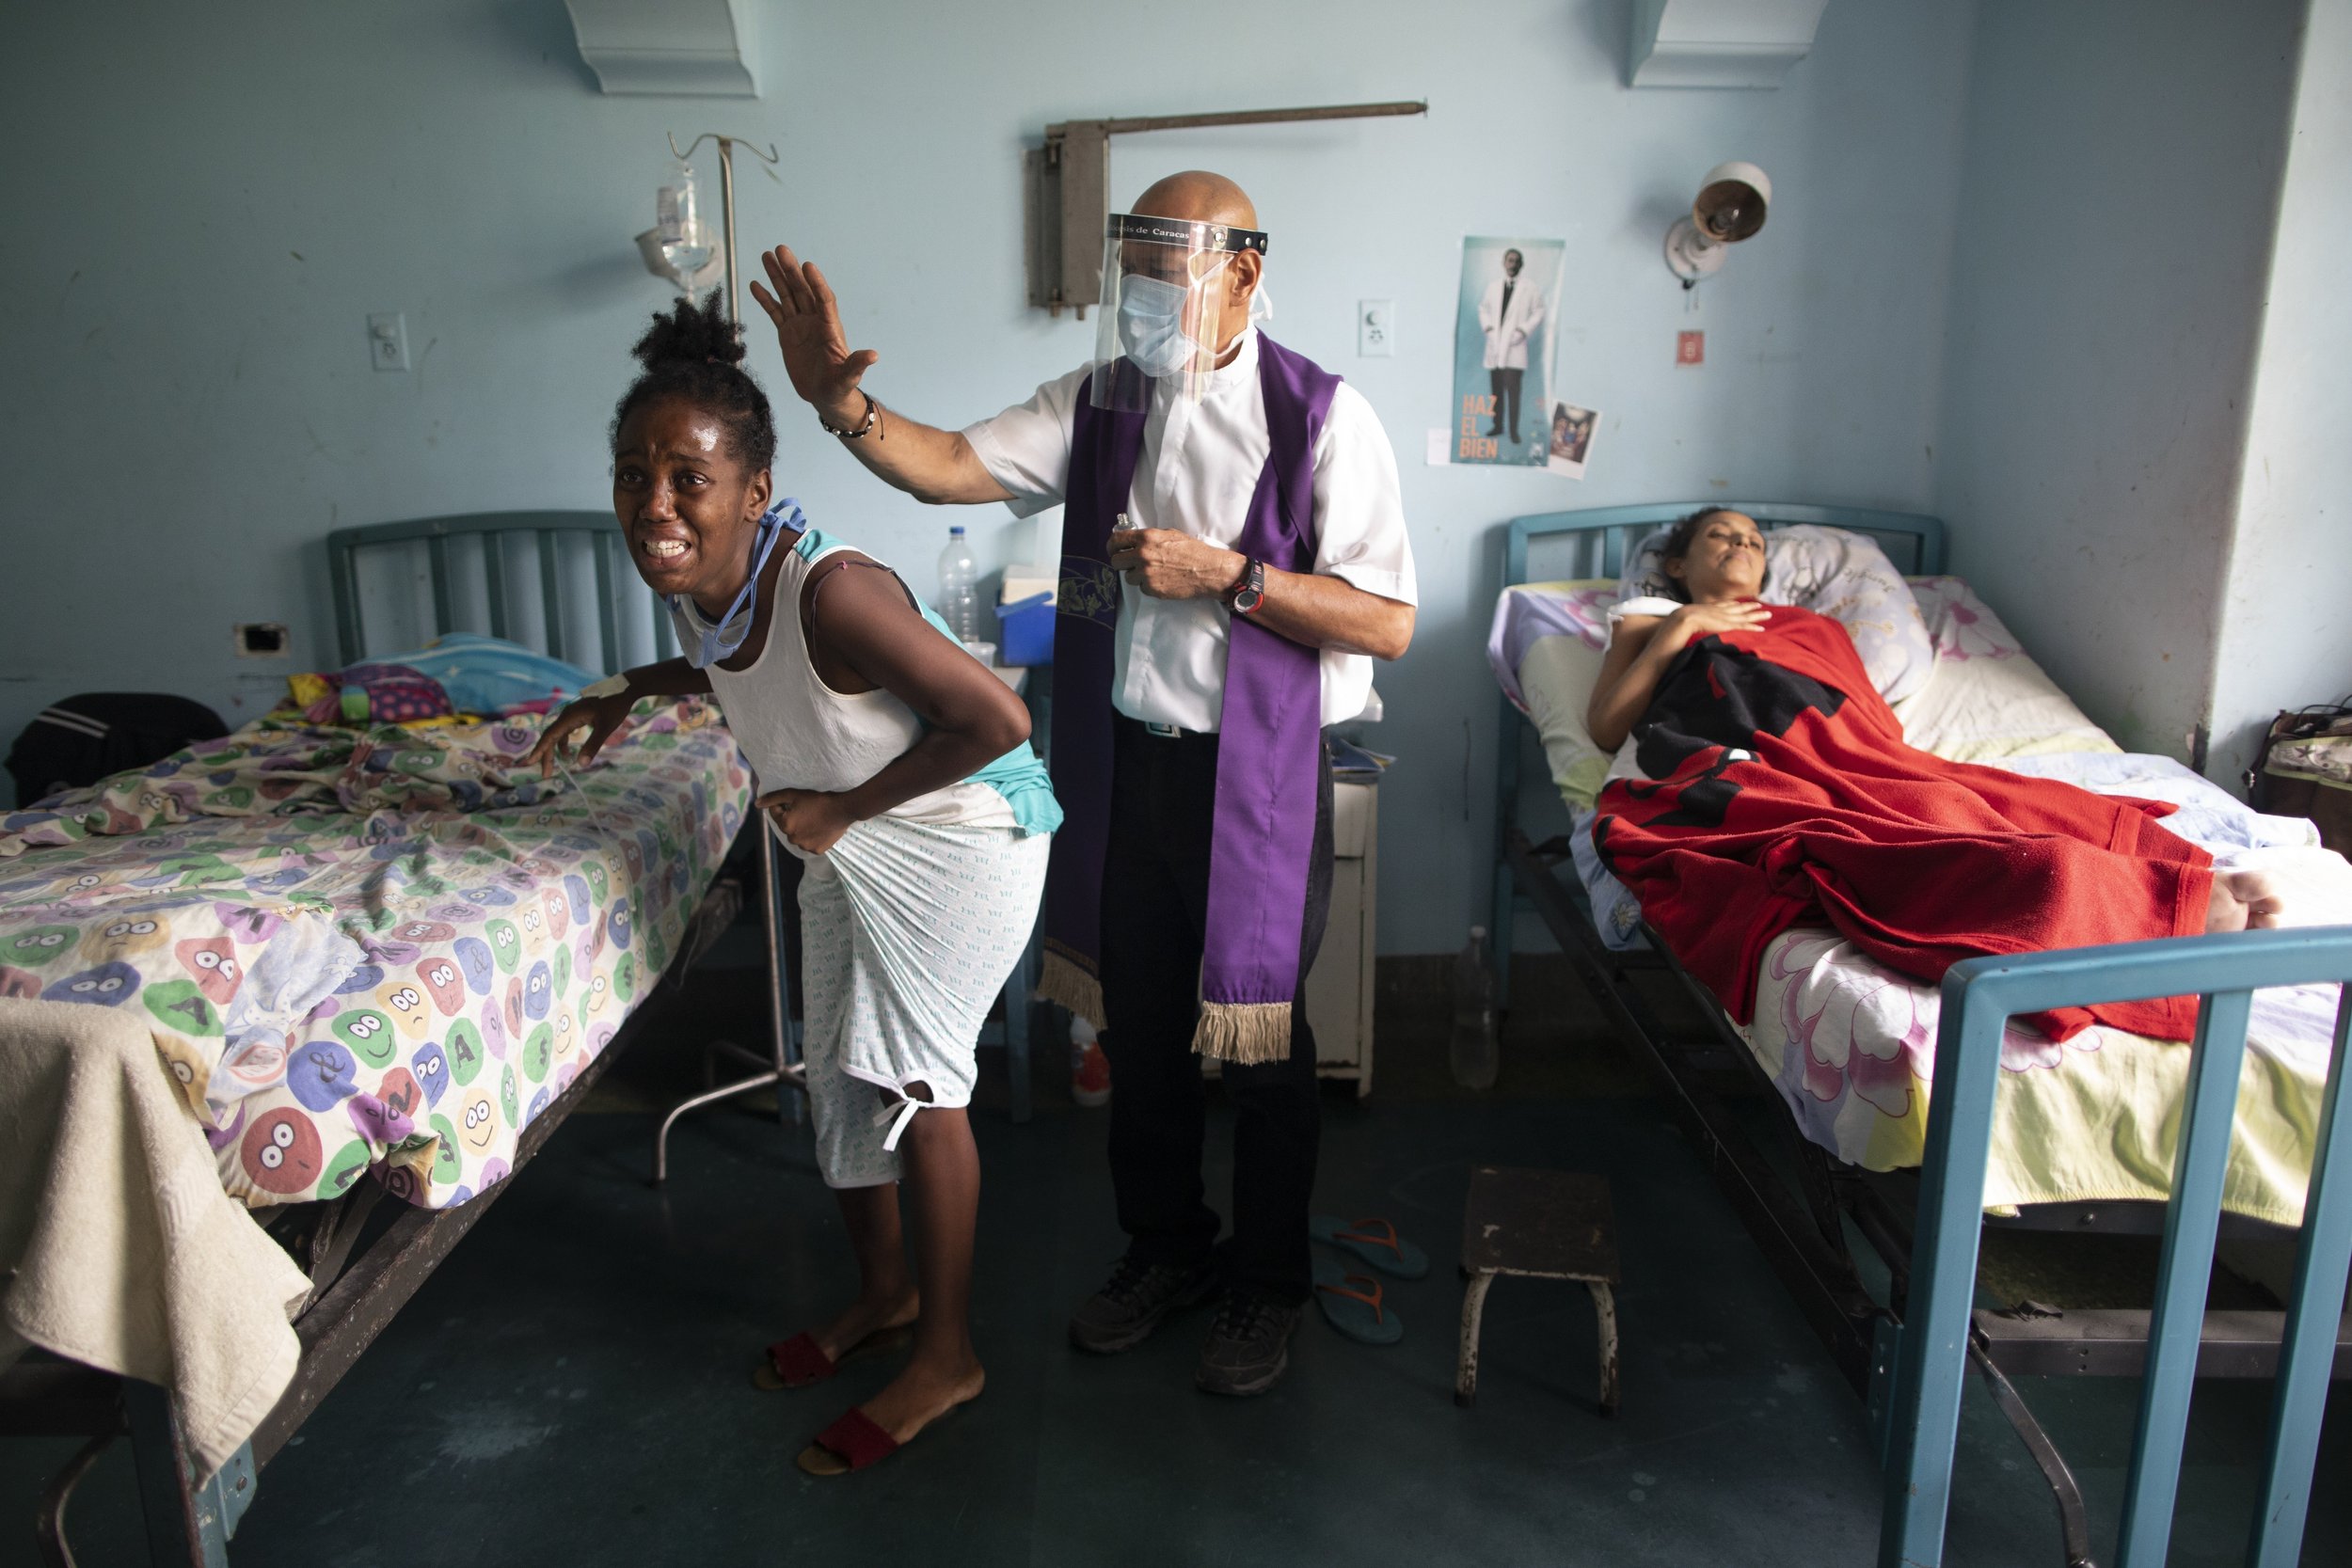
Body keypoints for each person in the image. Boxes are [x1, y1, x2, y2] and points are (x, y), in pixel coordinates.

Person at [748, 168, 1417, 1397]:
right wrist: (844, 409)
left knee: (1265, 1050)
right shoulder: (1105, 401)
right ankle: (1167, 1251)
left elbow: (1386, 621)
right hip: (1132, 770)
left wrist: (1234, 575)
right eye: (1136, 272)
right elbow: (950, 463)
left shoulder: (1324, 415)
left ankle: (1268, 1284)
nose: (1146, 301)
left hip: (1255, 785)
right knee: (1142, 1032)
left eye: (1173, 271)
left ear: (1245, 274)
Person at [528, 293, 1060, 1475]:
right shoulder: (702, 587)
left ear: (754, 492)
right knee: (836, 1070)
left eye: (687, 478)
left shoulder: (833, 591)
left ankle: (950, 1354)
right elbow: (731, 661)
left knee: (922, 1085)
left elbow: (1000, 717)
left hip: (960, 837)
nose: (654, 505)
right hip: (853, 837)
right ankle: (886, 1294)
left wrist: (841, 808)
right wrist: (632, 686)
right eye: (633, 475)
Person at [1584, 507, 2284, 1041]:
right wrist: (1684, 629)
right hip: (1733, 752)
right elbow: (1608, 725)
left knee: (1966, 803)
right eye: (1719, 537)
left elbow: (1862, 718)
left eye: (1752, 542)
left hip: (1845, 750)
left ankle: (2154, 894)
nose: (1740, 546)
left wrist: (1861, 756)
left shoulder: (1808, 626)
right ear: (1676, 565)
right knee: (1880, 844)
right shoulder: (1653, 617)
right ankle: (2144, 904)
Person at [1478, 247, 1544, 444]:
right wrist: (1489, 328)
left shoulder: (1530, 288)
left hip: (1515, 348)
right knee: (1496, 392)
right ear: (1504, 263)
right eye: (1509, 261)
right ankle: (1498, 426)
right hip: (1495, 347)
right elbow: (1483, 309)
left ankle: (1513, 431)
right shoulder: (1493, 287)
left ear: (1521, 265)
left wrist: (1523, 330)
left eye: (1516, 261)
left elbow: (1539, 311)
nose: (1512, 265)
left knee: (1513, 392)